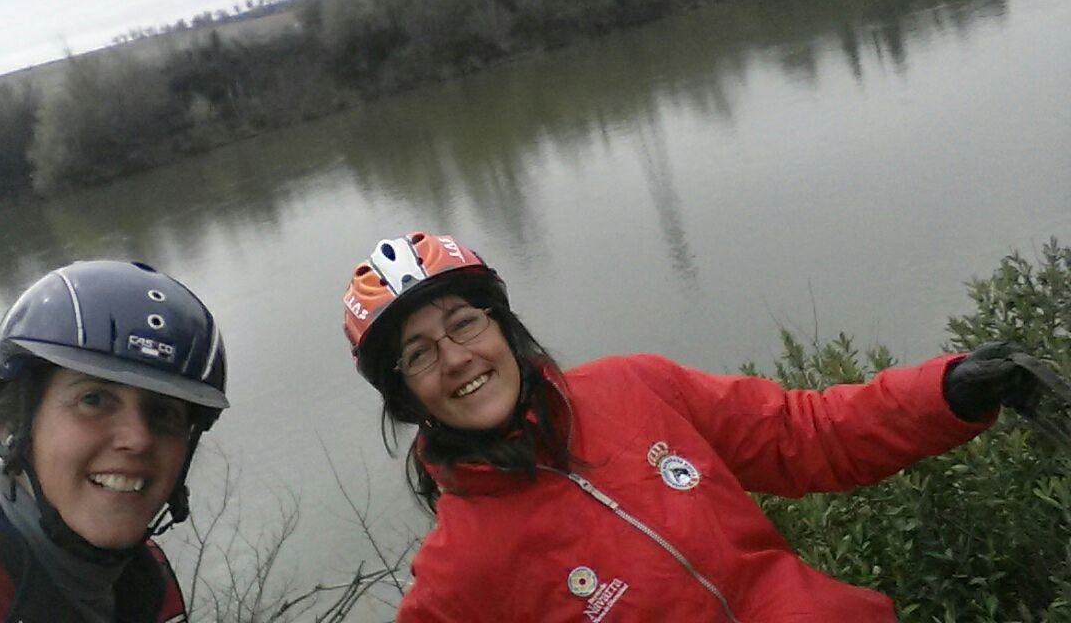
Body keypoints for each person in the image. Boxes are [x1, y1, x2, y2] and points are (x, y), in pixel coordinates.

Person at [340, 231, 1036, 622]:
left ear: (503, 326)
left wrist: (945, 393)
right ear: (407, 396)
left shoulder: (633, 387)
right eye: (419, 354)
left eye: (465, 322)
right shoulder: (458, 574)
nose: (457, 358)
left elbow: (805, 434)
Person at [0, 260, 229, 622]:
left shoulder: (137, 575)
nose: (138, 439)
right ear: (13, 423)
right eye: (93, 400)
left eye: (164, 414)